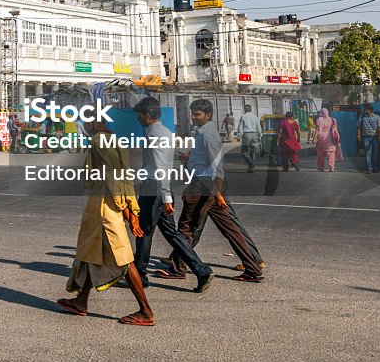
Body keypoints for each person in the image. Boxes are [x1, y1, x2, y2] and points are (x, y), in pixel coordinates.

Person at [56, 120, 154, 326]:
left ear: (94, 122)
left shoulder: (99, 141)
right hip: (103, 207)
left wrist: (127, 210)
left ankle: (146, 311)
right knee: (93, 254)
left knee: (123, 258)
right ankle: (81, 301)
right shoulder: (115, 140)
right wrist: (131, 206)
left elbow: (112, 177)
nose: (87, 126)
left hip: (105, 209)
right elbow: (125, 175)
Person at [162, 99, 264, 283]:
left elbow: (216, 165)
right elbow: (205, 158)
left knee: (187, 226)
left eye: (197, 114)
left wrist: (216, 193)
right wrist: (190, 157)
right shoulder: (202, 132)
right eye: (192, 113)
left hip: (204, 185)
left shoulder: (208, 134)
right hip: (208, 185)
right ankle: (253, 267)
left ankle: (178, 268)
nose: (194, 117)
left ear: (208, 115)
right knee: (229, 228)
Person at [132, 97, 212, 293]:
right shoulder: (166, 132)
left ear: (148, 116)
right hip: (159, 188)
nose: (138, 120)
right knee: (172, 234)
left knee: (144, 233)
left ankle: (139, 276)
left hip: (155, 189)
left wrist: (166, 197)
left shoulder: (154, 135)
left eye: (140, 116)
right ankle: (201, 270)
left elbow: (159, 168)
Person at [357, 105, 380, 174]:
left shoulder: (377, 117)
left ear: (370, 110)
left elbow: (379, 127)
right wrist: (358, 135)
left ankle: (375, 167)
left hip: (375, 137)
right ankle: (369, 168)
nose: (364, 111)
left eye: (365, 109)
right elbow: (358, 127)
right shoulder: (362, 117)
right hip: (366, 137)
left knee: (375, 153)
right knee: (368, 153)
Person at [237, 105, 262, 173]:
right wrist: (259, 136)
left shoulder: (243, 116)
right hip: (254, 134)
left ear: (244, 110)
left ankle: (250, 163)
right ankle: (251, 168)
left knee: (244, 151)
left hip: (246, 135)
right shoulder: (255, 117)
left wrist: (239, 135)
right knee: (253, 151)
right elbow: (258, 127)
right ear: (251, 109)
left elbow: (240, 126)